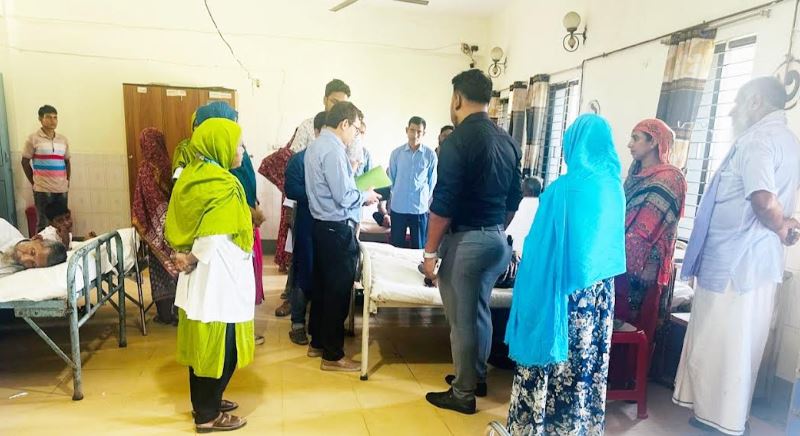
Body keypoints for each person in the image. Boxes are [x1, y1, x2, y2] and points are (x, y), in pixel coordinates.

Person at [674, 77, 800, 435]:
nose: (732, 111)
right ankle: (722, 417)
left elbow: (764, 200)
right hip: (750, 264)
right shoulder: (787, 140)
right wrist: (785, 227)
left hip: (736, 266)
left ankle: (721, 422)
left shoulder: (758, 140)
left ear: (755, 101)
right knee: (737, 346)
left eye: (738, 102)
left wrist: (782, 226)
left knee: (726, 347)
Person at [504, 114, 626, 435]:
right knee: (585, 365)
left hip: (563, 297)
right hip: (599, 298)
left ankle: (539, 426)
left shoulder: (561, 191)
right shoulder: (614, 189)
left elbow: (537, 248)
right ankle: (578, 427)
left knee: (554, 365)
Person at [421, 69, 522, 414]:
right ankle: (475, 376)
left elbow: (442, 205)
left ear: (457, 99)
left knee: (462, 320)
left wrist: (430, 254)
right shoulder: (507, 140)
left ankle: (463, 393)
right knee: (479, 311)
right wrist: (492, 228)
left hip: (468, 242)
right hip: (498, 242)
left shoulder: (457, 141)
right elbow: (514, 200)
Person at [165, 118, 254, 433]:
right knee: (221, 347)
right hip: (218, 279)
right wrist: (191, 258)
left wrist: (186, 258)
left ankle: (207, 402)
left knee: (204, 346)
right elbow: (213, 235)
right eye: (239, 144)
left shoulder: (193, 174)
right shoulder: (223, 184)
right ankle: (207, 415)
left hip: (201, 278)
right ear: (220, 145)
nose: (242, 150)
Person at [304, 101, 380, 371]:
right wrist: (366, 196)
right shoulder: (333, 150)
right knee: (337, 292)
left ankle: (317, 343)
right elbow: (344, 196)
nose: (355, 135)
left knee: (323, 288)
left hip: (321, 226)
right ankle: (333, 356)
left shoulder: (315, 146)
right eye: (356, 129)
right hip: (336, 229)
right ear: (344, 124)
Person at [273, 79, 354, 316]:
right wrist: (317, 192)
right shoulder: (309, 126)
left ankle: (316, 314)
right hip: (309, 208)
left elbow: (351, 165)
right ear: (325, 99)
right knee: (303, 258)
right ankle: (297, 312)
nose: (337, 106)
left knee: (325, 268)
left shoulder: (348, 129)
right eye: (334, 101)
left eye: (342, 103)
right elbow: (296, 164)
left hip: (333, 212)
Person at [616, 119, 686, 322]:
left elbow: (652, 227)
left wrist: (649, 264)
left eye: (635, 138)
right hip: (620, 262)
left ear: (653, 141)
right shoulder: (634, 177)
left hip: (649, 269)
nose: (629, 144)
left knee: (638, 327)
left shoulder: (670, 178)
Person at [132, 127, 180, 325]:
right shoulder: (170, 164)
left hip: (155, 228)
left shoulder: (145, 168)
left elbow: (145, 201)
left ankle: (165, 314)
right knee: (179, 267)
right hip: (175, 225)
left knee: (160, 271)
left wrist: (154, 227)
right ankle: (180, 312)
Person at [386, 117, 437, 249]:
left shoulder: (430, 155)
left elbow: (431, 182)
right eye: (412, 130)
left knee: (418, 248)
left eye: (419, 131)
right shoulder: (396, 154)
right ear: (406, 130)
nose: (415, 134)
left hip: (419, 209)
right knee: (395, 248)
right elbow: (391, 179)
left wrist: (423, 199)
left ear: (424, 133)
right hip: (398, 207)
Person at [21, 105, 71, 232]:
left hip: (61, 189)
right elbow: (25, 162)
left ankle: (61, 244)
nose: (53, 121)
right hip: (43, 189)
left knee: (63, 222)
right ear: (40, 119)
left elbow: (67, 162)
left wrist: (67, 182)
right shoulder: (33, 139)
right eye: (48, 117)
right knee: (44, 223)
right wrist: (34, 182)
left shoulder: (63, 140)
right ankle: (42, 245)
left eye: (55, 117)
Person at [1, 217, 67, 277]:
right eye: (32, 252)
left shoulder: (13, 274)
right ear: (36, 238)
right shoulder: (3, 228)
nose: (24, 259)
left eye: (33, 264)